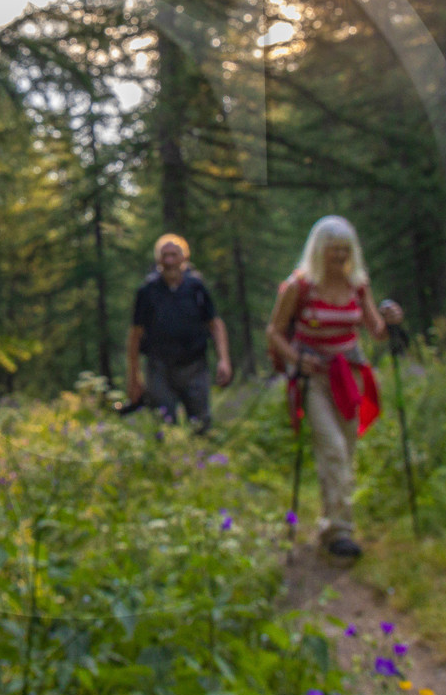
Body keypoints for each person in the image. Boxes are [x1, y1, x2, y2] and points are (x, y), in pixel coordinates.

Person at [266, 215, 403, 563]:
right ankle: (340, 531)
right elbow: (274, 332)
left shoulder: (358, 285)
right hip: (313, 378)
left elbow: (376, 330)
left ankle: (332, 523)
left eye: (345, 250)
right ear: (319, 250)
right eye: (333, 250)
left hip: (348, 375)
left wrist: (390, 320)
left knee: (346, 450)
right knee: (333, 448)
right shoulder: (299, 286)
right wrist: (295, 358)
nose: (340, 256)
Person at [126, 234, 233, 435]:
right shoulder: (147, 291)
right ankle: (168, 464)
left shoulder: (196, 288)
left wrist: (224, 360)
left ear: (184, 257)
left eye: (174, 255)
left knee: (202, 425)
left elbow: (215, 324)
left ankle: (203, 464)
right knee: (164, 427)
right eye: (164, 255)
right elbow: (135, 335)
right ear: (158, 259)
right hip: (159, 368)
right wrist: (134, 376)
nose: (169, 261)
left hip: (195, 367)